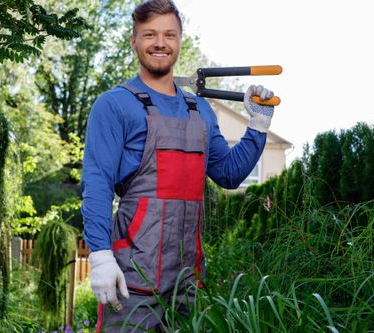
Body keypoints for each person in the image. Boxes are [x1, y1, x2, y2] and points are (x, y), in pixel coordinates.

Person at [80, 0, 275, 331]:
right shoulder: (114, 105)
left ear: (180, 40)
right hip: (132, 278)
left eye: (169, 34)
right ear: (134, 41)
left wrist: (257, 126)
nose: (160, 43)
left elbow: (228, 175)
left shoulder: (199, 110)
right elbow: (96, 184)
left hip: (187, 282)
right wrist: (100, 256)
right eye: (149, 34)